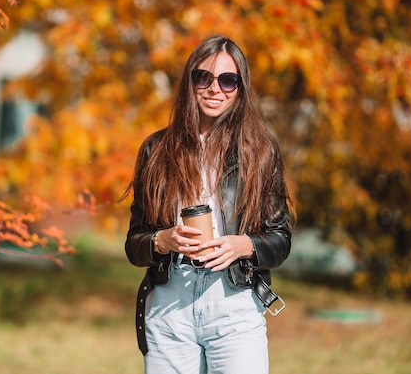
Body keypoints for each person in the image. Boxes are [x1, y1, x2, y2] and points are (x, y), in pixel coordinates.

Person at [124, 35, 293, 374]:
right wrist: (163, 240)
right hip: (170, 305)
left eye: (228, 80)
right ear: (190, 81)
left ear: (240, 89)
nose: (215, 89)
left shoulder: (259, 152)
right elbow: (134, 244)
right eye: (204, 77)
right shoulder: (156, 150)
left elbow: (280, 238)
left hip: (232, 303)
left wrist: (244, 245)